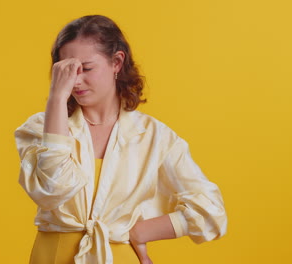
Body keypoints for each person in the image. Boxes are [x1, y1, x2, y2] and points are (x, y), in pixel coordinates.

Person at [14, 15, 227, 264]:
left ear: (116, 62)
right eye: (67, 71)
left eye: (86, 68)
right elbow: (53, 191)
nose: (76, 81)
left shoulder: (155, 136)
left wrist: (142, 231)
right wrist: (56, 100)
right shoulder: (41, 127)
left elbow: (212, 211)